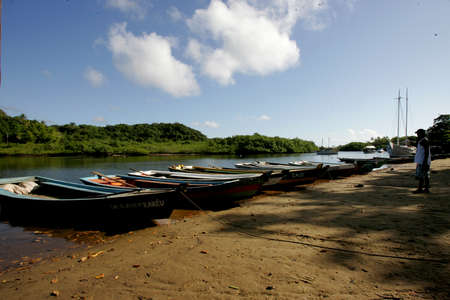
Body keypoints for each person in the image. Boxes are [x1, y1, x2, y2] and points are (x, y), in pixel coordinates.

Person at [413, 129, 431, 193]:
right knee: (425, 175)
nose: (417, 135)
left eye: (418, 133)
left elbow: (426, 152)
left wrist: (425, 162)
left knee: (422, 176)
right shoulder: (422, 140)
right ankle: (426, 189)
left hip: (423, 161)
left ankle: (420, 189)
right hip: (421, 161)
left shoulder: (424, 141)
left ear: (421, 134)